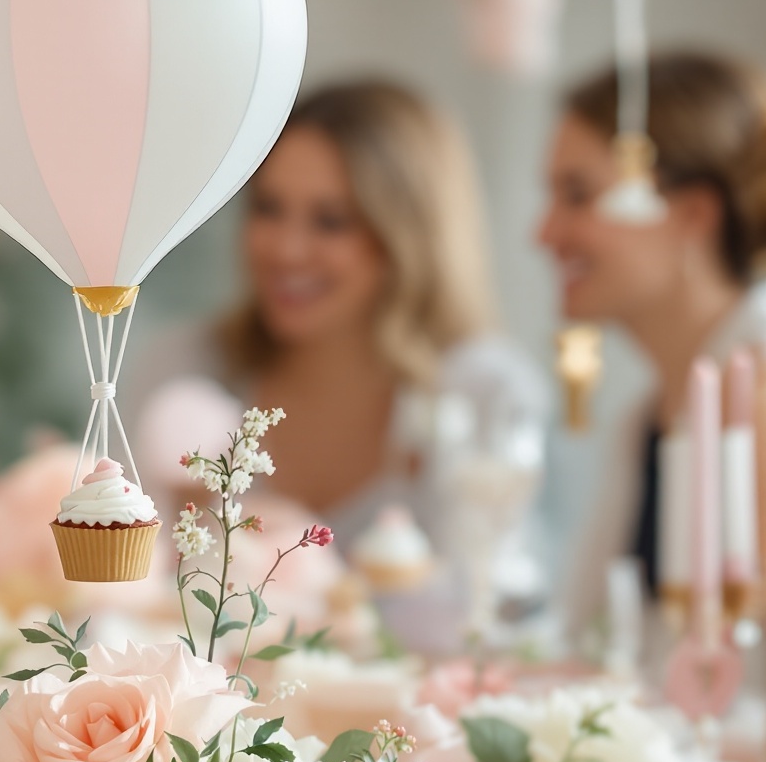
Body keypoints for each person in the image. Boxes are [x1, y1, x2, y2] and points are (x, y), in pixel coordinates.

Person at [131, 78, 541, 561]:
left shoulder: (482, 392)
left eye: (331, 221)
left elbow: (503, 604)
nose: (286, 249)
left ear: (405, 236)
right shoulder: (183, 370)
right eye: (269, 208)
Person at [540, 51, 766, 633]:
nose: (544, 233)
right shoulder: (641, 420)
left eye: (578, 194)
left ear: (692, 213)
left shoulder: (757, 383)